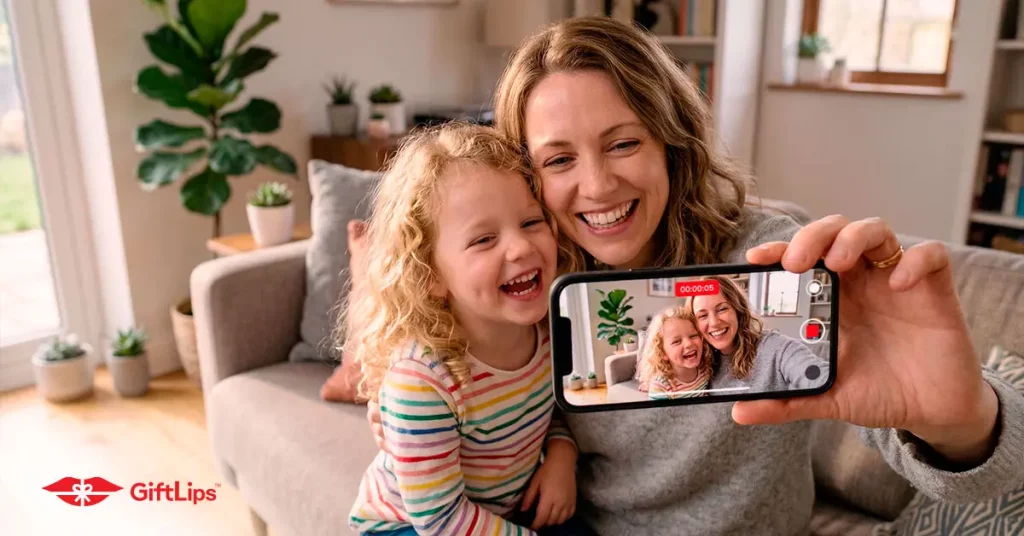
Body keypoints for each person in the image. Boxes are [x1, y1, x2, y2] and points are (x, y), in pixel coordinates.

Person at [367, 17, 1024, 535]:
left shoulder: (770, 259)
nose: (598, 185)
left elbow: (980, 473)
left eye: (624, 142)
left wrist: (963, 422)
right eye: (559, 158)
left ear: (671, 140)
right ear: (528, 177)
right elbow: (431, 341)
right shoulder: (536, 282)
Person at [345, 123, 587, 536]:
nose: (521, 247)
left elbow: (553, 410)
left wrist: (563, 455)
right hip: (408, 526)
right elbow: (440, 520)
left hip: (500, 511)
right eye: (484, 239)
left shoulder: (548, 331)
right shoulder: (423, 381)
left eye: (531, 222)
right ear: (430, 275)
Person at [690, 276, 830, 392]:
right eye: (702, 316)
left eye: (722, 309)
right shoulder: (697, 360)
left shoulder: (775, 347)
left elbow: (814, 373)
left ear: (738, 310)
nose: (714, 322)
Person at [639, 304, 713, 400]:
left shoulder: (705, 368)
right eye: (677, 341)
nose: (688, 344)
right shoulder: (661, 386)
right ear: (662, 353)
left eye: (693, 336)